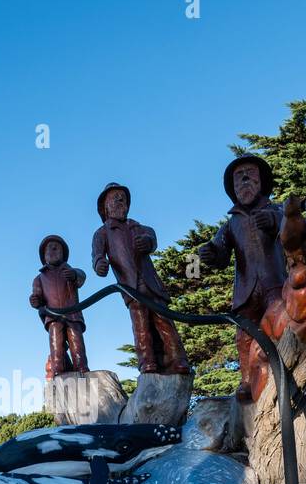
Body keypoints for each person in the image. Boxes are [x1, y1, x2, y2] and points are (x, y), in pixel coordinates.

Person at [198, 155, 286, 401]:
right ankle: (247, 380)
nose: (245, 179)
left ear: (261, 181)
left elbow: (294, 228)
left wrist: (275, 220)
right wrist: (211, 253)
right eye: (239, 177)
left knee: (278, 326)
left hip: (274, 283)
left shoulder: (275, 209)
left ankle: (281, 372)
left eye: (250, 173)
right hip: (246, 289)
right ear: (233, 189)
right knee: (243, 335)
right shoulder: (230, 224)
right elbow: (221, 254)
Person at [91, 183, 190, 375]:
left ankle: (178, 359)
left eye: (123, 197)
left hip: (152, 285)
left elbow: (152, 239)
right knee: (141, 326)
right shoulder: (102, 233)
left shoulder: (140, 228)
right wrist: (99, 265)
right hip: (131, 287)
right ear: (105, 207)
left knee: (165, 322)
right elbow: (97, 257)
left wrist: (148, 242)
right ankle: (147, 362)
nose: (120, 200)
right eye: (114, 197)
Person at [29, 235, 89, 380]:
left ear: (64, 254)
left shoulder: (70, 271)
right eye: (49, 249)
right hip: (53, 316)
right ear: (43, 256)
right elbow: (37, 298)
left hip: (72, 314)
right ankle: (59, 373)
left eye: (57, 248)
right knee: (56, 345)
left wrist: (74, 275)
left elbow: (82, 277)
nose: (53, 250)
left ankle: (83, 370)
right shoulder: (39, 278)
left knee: (77, 343)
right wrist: (35, 300)